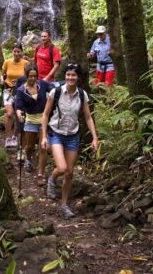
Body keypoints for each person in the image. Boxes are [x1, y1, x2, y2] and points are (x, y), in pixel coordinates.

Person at [40, 63, 99, 218]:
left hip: (73, 135)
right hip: (56, 134)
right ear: (64, 76)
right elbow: (45, 114)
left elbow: (87, 117)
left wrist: (94, 137)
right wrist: (44, 136)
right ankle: (52, 179)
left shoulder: (82, 95)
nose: (70, 78)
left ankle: (64, 205)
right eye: (68, 75)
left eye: (73, 75)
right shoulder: (56, 92)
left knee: (69, 173)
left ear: (78, 77)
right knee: (62, 168)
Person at [15, 62, 52, 187]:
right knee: (30, 146)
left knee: (43, 147)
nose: (33, 78)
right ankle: (28, 159)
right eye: (30, 76)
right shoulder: (21, 90)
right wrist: (19, 114)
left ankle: (40, 174)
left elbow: (54, 89)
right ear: (26, 76)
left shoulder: (42, 84)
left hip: (43, 120)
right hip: (30, 120)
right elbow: (19, 107)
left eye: (35, 76)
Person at [0, 44, 27, 148]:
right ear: (12, 52)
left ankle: (16, 136)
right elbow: (2, 74)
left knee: (18, 114)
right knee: (10, 114)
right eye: (15, 51)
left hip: (20, 92)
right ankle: (9, 137)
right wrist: (2, 80)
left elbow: (29, 77)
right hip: (8, 90)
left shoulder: (25, 63)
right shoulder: (7, 62)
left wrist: (21, 82)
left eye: (18, 51)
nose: (16, 53)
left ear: (21, 52)